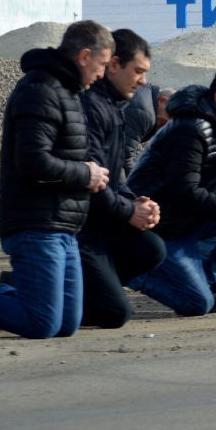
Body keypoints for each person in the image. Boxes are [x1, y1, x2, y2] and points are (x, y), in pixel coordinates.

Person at [0, 20, 113, 340]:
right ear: (85, 56)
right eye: (101, 64)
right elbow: (32, 161)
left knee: (66, 324)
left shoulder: (68, 92)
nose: (102, 73)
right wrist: (86, 173)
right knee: (40, 323)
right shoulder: (40, 89)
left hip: (63, 224)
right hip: (36, 223)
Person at [126, 68, 216, 316]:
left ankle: (204, 282)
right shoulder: (190, 130)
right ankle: (133, 274)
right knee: (197, 305)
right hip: (162, 226)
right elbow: (184, 192)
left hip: (191, 219)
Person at [77, 28, 166, 328]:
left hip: (105, 215)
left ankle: (80, 290)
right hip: (82, 225)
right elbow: (94, 182)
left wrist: (135, 200)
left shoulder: (115, 108)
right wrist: (130, 211)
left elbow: (115, 176)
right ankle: (53, 291)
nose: (143, 81)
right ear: (113, 65)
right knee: (115, 313)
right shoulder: (91, 108)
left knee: (152, 248)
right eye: (138, 71)